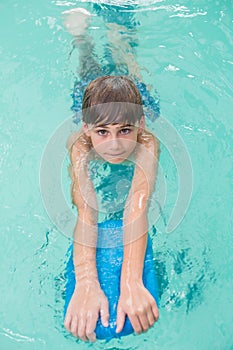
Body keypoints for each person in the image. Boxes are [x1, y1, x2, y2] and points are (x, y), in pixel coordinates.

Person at [62, 7, 160, 342]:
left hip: (133, 98)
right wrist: (86, 279)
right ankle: (82, 38)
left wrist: (131, 280)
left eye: (125, 131)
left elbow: (137, 206)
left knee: (129, 65)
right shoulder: (78, 145)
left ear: (140, 126)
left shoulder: (147, 143)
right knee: (87, 67)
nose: (116, 145)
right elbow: (86, 210)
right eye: (102, 132)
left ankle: (120, 37)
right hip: (91, 97)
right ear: (87, 129)